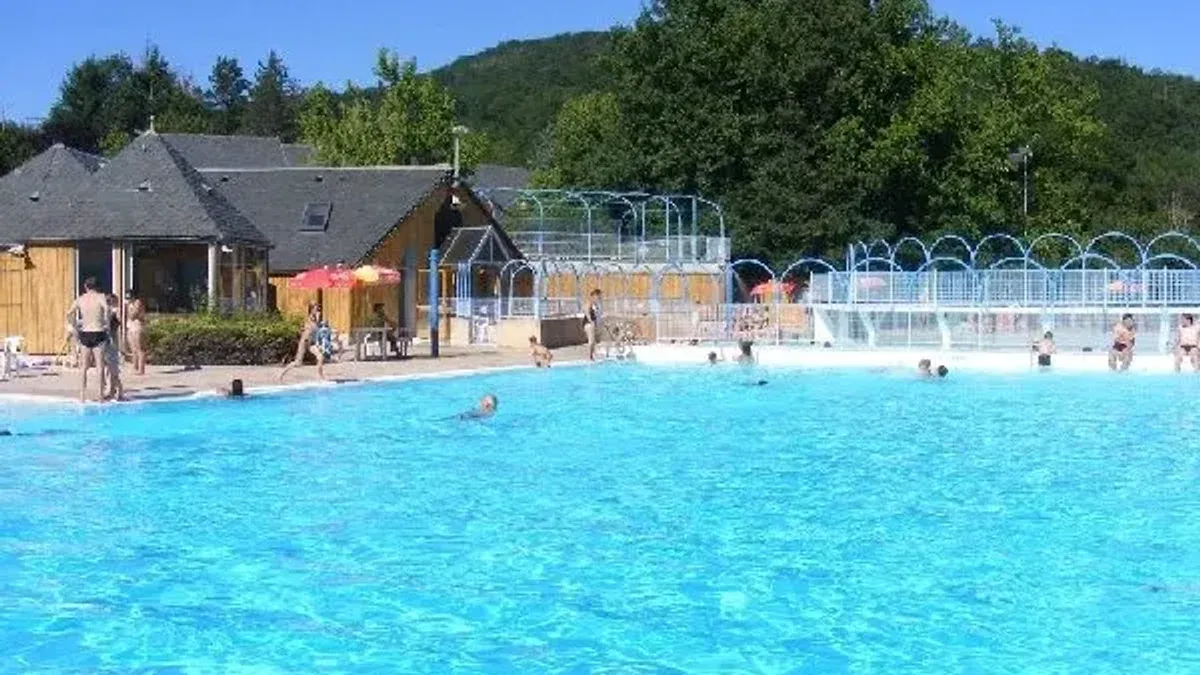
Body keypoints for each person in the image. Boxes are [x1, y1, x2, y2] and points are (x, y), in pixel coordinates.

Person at [65, 277, 110, 402]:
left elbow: (69, 313)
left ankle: (82, 396)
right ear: (97, 287)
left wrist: (75, 327)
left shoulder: (81, 299)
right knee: (99, 366)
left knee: (84, 367)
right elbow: (107, 310)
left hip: (85, 332)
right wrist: (107, 326)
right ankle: (100, 396)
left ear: (86, 286)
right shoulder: (101, 297)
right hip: (98, 331)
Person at [280, 305, 334, 381]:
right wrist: (317, 320)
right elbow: (310, 326)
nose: (318, 311)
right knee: (298, 363)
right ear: (311, 310)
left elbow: (317, 329)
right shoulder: (309, 318)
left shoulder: (316, 319)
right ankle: (281, 374)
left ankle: (320, 377)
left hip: (311, 343)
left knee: (320, 357)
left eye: (318, 309)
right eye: (316, 309)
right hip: (304, 343)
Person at [102, 294, 125, 402]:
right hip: (105, 342)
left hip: (111, 343)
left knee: (112, 369)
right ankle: (111, 390)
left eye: (108, 301)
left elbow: (116, 323)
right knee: (107, 368)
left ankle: (117, 391)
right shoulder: (107, 312)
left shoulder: (115, 312)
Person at [125, 290, 146, 376]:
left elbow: (133, 315)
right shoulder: (129, 304)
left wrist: (131, 310)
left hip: (138, 326)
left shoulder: (138, 302)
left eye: (130, 297)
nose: (129, 299)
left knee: (139, 348)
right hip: (130, 326)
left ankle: (141, 369)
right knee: (133, 349)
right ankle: (135, 367)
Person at [583, 289, 602, 361]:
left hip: (593, 323)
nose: (600, 298)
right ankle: (589, 357)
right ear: (594, 295)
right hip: (588, 323)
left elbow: (597, 315)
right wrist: (591, 321)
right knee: (591, 341)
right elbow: (587, 312)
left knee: (593, 341)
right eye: (598, 296)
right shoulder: (588, 302)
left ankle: (592, 356)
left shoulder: (595, 304)